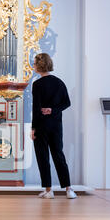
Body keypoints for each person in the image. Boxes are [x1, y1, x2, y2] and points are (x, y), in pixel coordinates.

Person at [30, 53, 77, 199]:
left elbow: (37, 109)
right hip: (56, 125)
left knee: (43, 157)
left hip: (42, 126)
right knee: (58, 155)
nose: (33, 66)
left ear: (39, 66)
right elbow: (67, 103)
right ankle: (69, 190)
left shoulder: (37, 84)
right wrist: (53, 110)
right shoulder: (59, 82)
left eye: (35, 63)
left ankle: (49, 190)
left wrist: (33, 129)